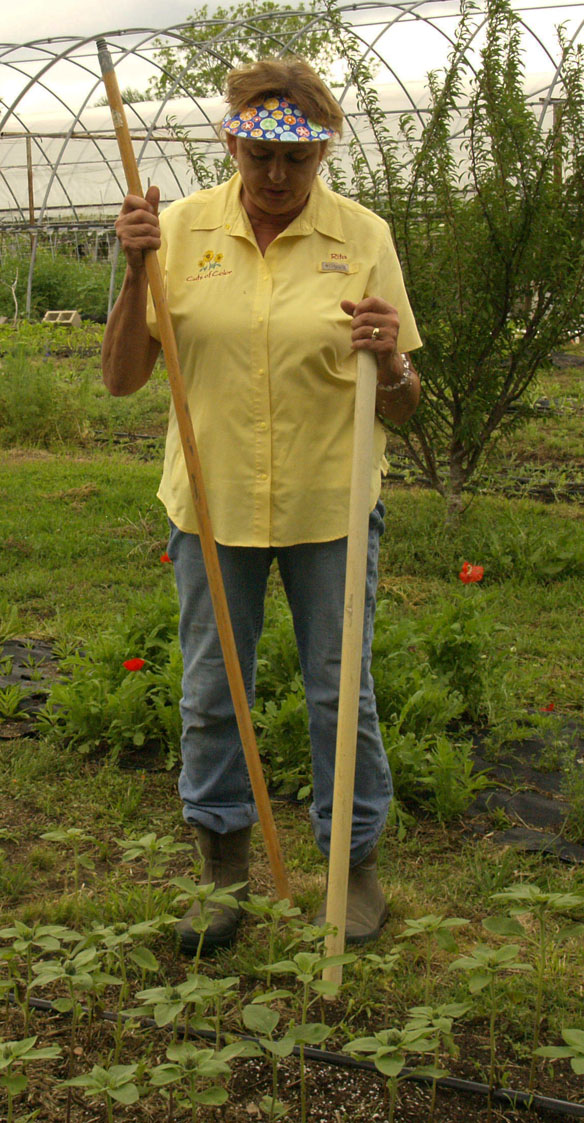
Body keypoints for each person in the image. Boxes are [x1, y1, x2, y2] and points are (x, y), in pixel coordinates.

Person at [101, 57, 421, 953]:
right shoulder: (174, 230)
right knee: (212, 691)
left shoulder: (363, 237)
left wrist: (391, 362)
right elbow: (123, 379)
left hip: (332, 501)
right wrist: (133, 275)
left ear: (322, 153)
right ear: (233, 140)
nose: (277, 178)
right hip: (213, 504)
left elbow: (402, 402)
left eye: (299, 159)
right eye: (260, 155)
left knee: (338, 692)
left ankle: (349, 866)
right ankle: (220, 868)